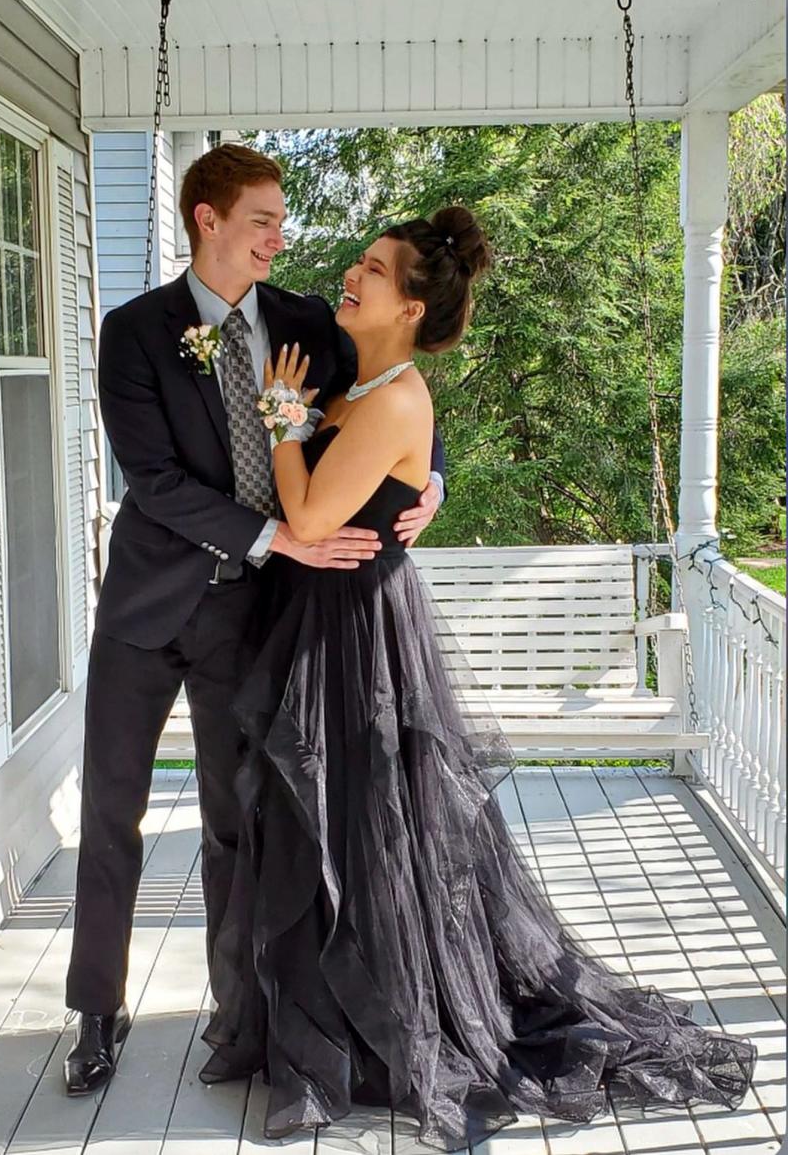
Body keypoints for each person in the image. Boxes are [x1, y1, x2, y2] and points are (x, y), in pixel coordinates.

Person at [197, 205, 758, 1151]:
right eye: (360, 262)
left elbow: (303, 508)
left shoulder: (392, 399)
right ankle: (347, 1008)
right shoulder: (364, 375)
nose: (352, 274)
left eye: (373, 270)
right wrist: (390, 457)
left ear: (410, 306)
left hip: (359, 638)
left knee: (375, 820)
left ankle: (391, 1022)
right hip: (325, 626)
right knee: (336, 823)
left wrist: (284, 419)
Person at [62, 144, 447, 1094]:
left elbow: (391, 399)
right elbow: (151, 484)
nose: (283, 235)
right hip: (145, 612)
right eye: (265, 219)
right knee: (112, 814)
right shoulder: (136, 331)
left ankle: (238, 1021)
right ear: (209, 220)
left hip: (250, 620)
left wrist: (435, 477)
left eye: (281, 219)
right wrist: (282, 536)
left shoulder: (308, 323)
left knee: (238, 823)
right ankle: (94, 1013)